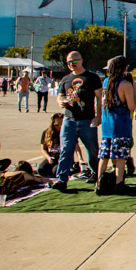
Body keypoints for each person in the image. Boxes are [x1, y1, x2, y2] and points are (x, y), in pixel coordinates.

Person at [53, 51, 102, 192]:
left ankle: (95, 173)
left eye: (74, 62)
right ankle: (62, 179)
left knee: (92, 149)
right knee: (66, 149)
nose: (71, 65)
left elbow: (99, 98)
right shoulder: (66, 79)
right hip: (69, 119)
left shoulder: (92, 77)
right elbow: (60, 96)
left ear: (81, 60)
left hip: (87, 119)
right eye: (68, 62)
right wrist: (61, 102)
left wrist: (98, 116)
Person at [97, 55, 136, 193]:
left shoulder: (106, 82)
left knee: (104, 154)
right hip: (120, 122)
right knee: (120, 155)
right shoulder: (125, 84)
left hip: (107, 122)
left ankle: (99, 182)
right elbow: (131, 106)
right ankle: (119, 182)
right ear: (124, 68)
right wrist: (135, 92)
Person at [39, 113, 64, 177]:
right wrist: (48, 157)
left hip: (63, 157)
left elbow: (76, 147)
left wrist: (80, 159)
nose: (59, 126)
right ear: (53, 123)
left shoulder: (67, 132)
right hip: (52, 156)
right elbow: (43, 149)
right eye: (57, 124)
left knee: (56, 171)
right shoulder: (46, 132)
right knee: (41, 170)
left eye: (62, 124)